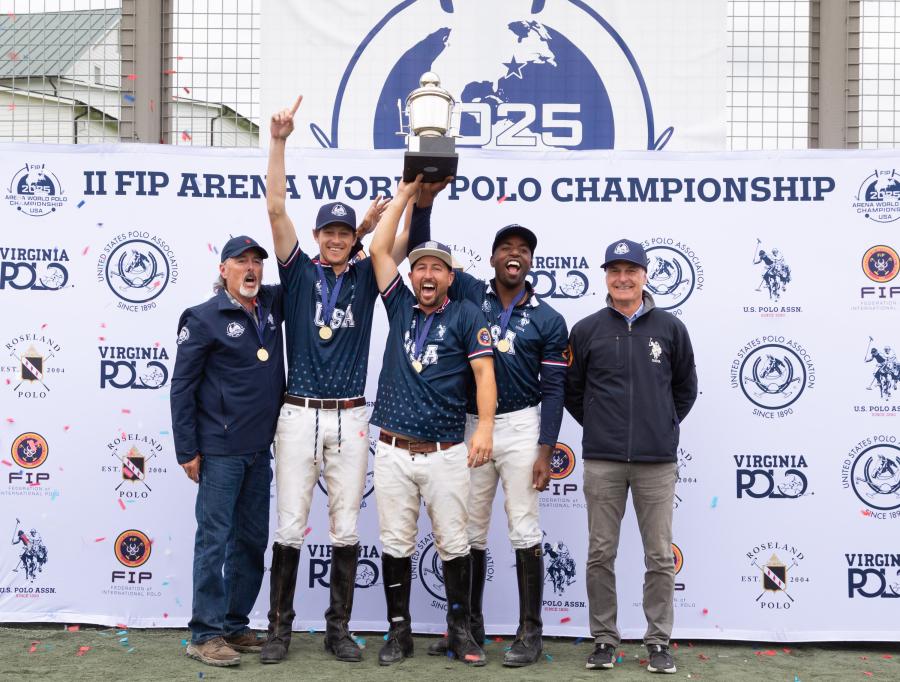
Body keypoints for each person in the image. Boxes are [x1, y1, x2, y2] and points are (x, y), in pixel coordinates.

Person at [262, 96, 410, 664]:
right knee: (292, 522)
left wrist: (402, 194)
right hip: (298, 412)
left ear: (353, 237)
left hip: (350, 412)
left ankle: (337, 628)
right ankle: (279, 629)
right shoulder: (298, 272)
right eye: (328, 232)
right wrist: (278, 141)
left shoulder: (367, 279)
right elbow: (277, 209)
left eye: (344, 233)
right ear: (318, 236)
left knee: (346, 524)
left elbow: (389, 245)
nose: (335, 240)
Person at [408, 186, 568, 666]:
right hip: (472, 425)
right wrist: (424, 205)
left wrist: (546, 448)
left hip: (521, 426)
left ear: (530, 262)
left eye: (523, 250)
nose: (514, 255)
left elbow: (556, 390)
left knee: (523, 526)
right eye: (506, 248)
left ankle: (530, 634)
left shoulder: (550, 318)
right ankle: (468, 629)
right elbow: (424, 255)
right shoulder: (469, 291)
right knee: (469, 529)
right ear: (494, 257)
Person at [368, 176, 497, 667]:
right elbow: (380, 251)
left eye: (437, 268)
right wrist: (405, 195)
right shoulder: (398, 303)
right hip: (394, 449)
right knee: (396, 544)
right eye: (419, 265)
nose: (427, 274)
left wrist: (483, 428)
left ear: (448, 277)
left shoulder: (466, 314)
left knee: (454, 543)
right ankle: (398, 634)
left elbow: (484, 373)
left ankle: (460, 631)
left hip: (445, 451)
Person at [565, 238, 697, 675]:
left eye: (631, 270)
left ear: (645, 275)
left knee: (659, 555)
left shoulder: (671, 328)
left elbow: (685, 389)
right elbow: (574, 393)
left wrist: (658, 425)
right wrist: (603, 425)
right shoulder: (586, 330)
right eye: (614, 270)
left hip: (656, 462)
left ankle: (658, 642)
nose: (623, 278)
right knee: (600, 553)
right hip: (603, 460)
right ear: (606, 276)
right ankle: (604, 638)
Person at [170, 235, 285, 668]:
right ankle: (204, 634)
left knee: (252, 540)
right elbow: (182, 386)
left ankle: (235, 624)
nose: (251, 268)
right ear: (223, 269)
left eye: (257, 261)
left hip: (260, 450)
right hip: (219, 451)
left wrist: (363, 233)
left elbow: (307, 269)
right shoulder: (202, 318)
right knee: (215, 540)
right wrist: (187, 449)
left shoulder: (271, 305)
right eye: (241, 262)